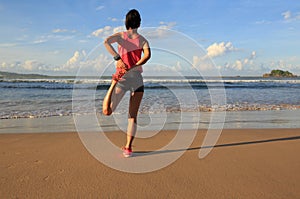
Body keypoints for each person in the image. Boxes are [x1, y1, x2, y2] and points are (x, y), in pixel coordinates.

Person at [102, 9, 151, 157]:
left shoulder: (120, 36)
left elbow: (105, 42)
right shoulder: (142, 39)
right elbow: (148, 55)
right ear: (139, 23)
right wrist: (135, 65)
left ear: (126, 22)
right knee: (132, 116)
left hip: (122, 77)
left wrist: (117, 58)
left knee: (108, 111)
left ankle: (128, 146)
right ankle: (128, 148)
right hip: (136, 77)